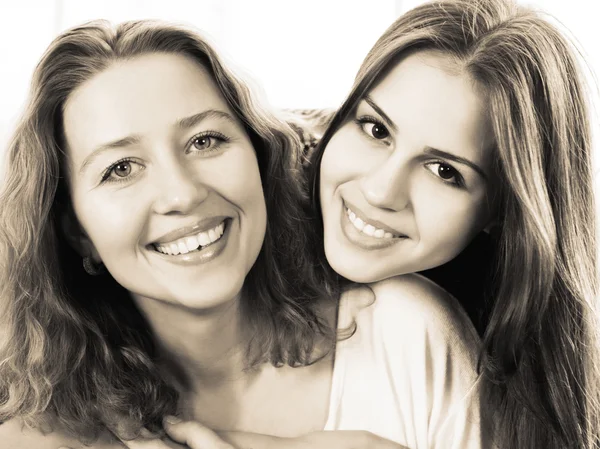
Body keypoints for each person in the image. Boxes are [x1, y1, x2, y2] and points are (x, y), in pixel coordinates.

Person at [119, 0, 600, 448]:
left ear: (504, 211)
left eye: (445, 172)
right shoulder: (249, 192)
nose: (379, 191)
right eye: (376, 129)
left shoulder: (456, 341)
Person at [0, 18, 481, 449]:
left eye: (205, 141)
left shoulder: (405, 330)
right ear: (76, 232)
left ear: (261, 159)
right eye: (121, 168)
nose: (182, 194)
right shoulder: (38, 429)